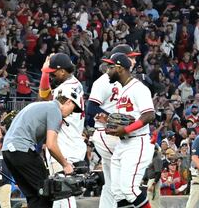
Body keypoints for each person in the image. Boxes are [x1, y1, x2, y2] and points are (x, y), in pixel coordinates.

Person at [2, 88, 81, 208]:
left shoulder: (41, 105)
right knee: (46, 192)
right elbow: (51, 145)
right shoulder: (55, 110)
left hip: (8, 152)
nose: (72, 113)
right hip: (22, 150)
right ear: (69, 102)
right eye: (73, 108)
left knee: (35, 195)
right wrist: (65, 165)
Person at [85, 44, 139, 208]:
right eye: (131, 57)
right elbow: (91, 108)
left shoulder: (128, 80)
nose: (134, 60)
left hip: (116, 135)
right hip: (109, 135)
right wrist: (111, 118)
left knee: (111, 181)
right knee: (124, 180)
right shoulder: (104, 81)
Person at [104, 52, 156, 208]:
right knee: (118, 192)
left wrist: (126, 129)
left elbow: (149, 115)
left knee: (130, 190)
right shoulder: (123, 90)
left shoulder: (138, 88)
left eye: (110, 67)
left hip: (137, 142)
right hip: (123, 144)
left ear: (119, 68)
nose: (107, 71)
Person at [39, 53, 85, 208]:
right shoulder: (65, 85)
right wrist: (44, 73)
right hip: (64, 141)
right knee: (58, 193)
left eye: (54, 72)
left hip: (67, 143)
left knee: (64, 190)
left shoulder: (70, 86)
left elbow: (64, 111)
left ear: (63, 71)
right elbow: (44, 96)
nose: (52, 75)